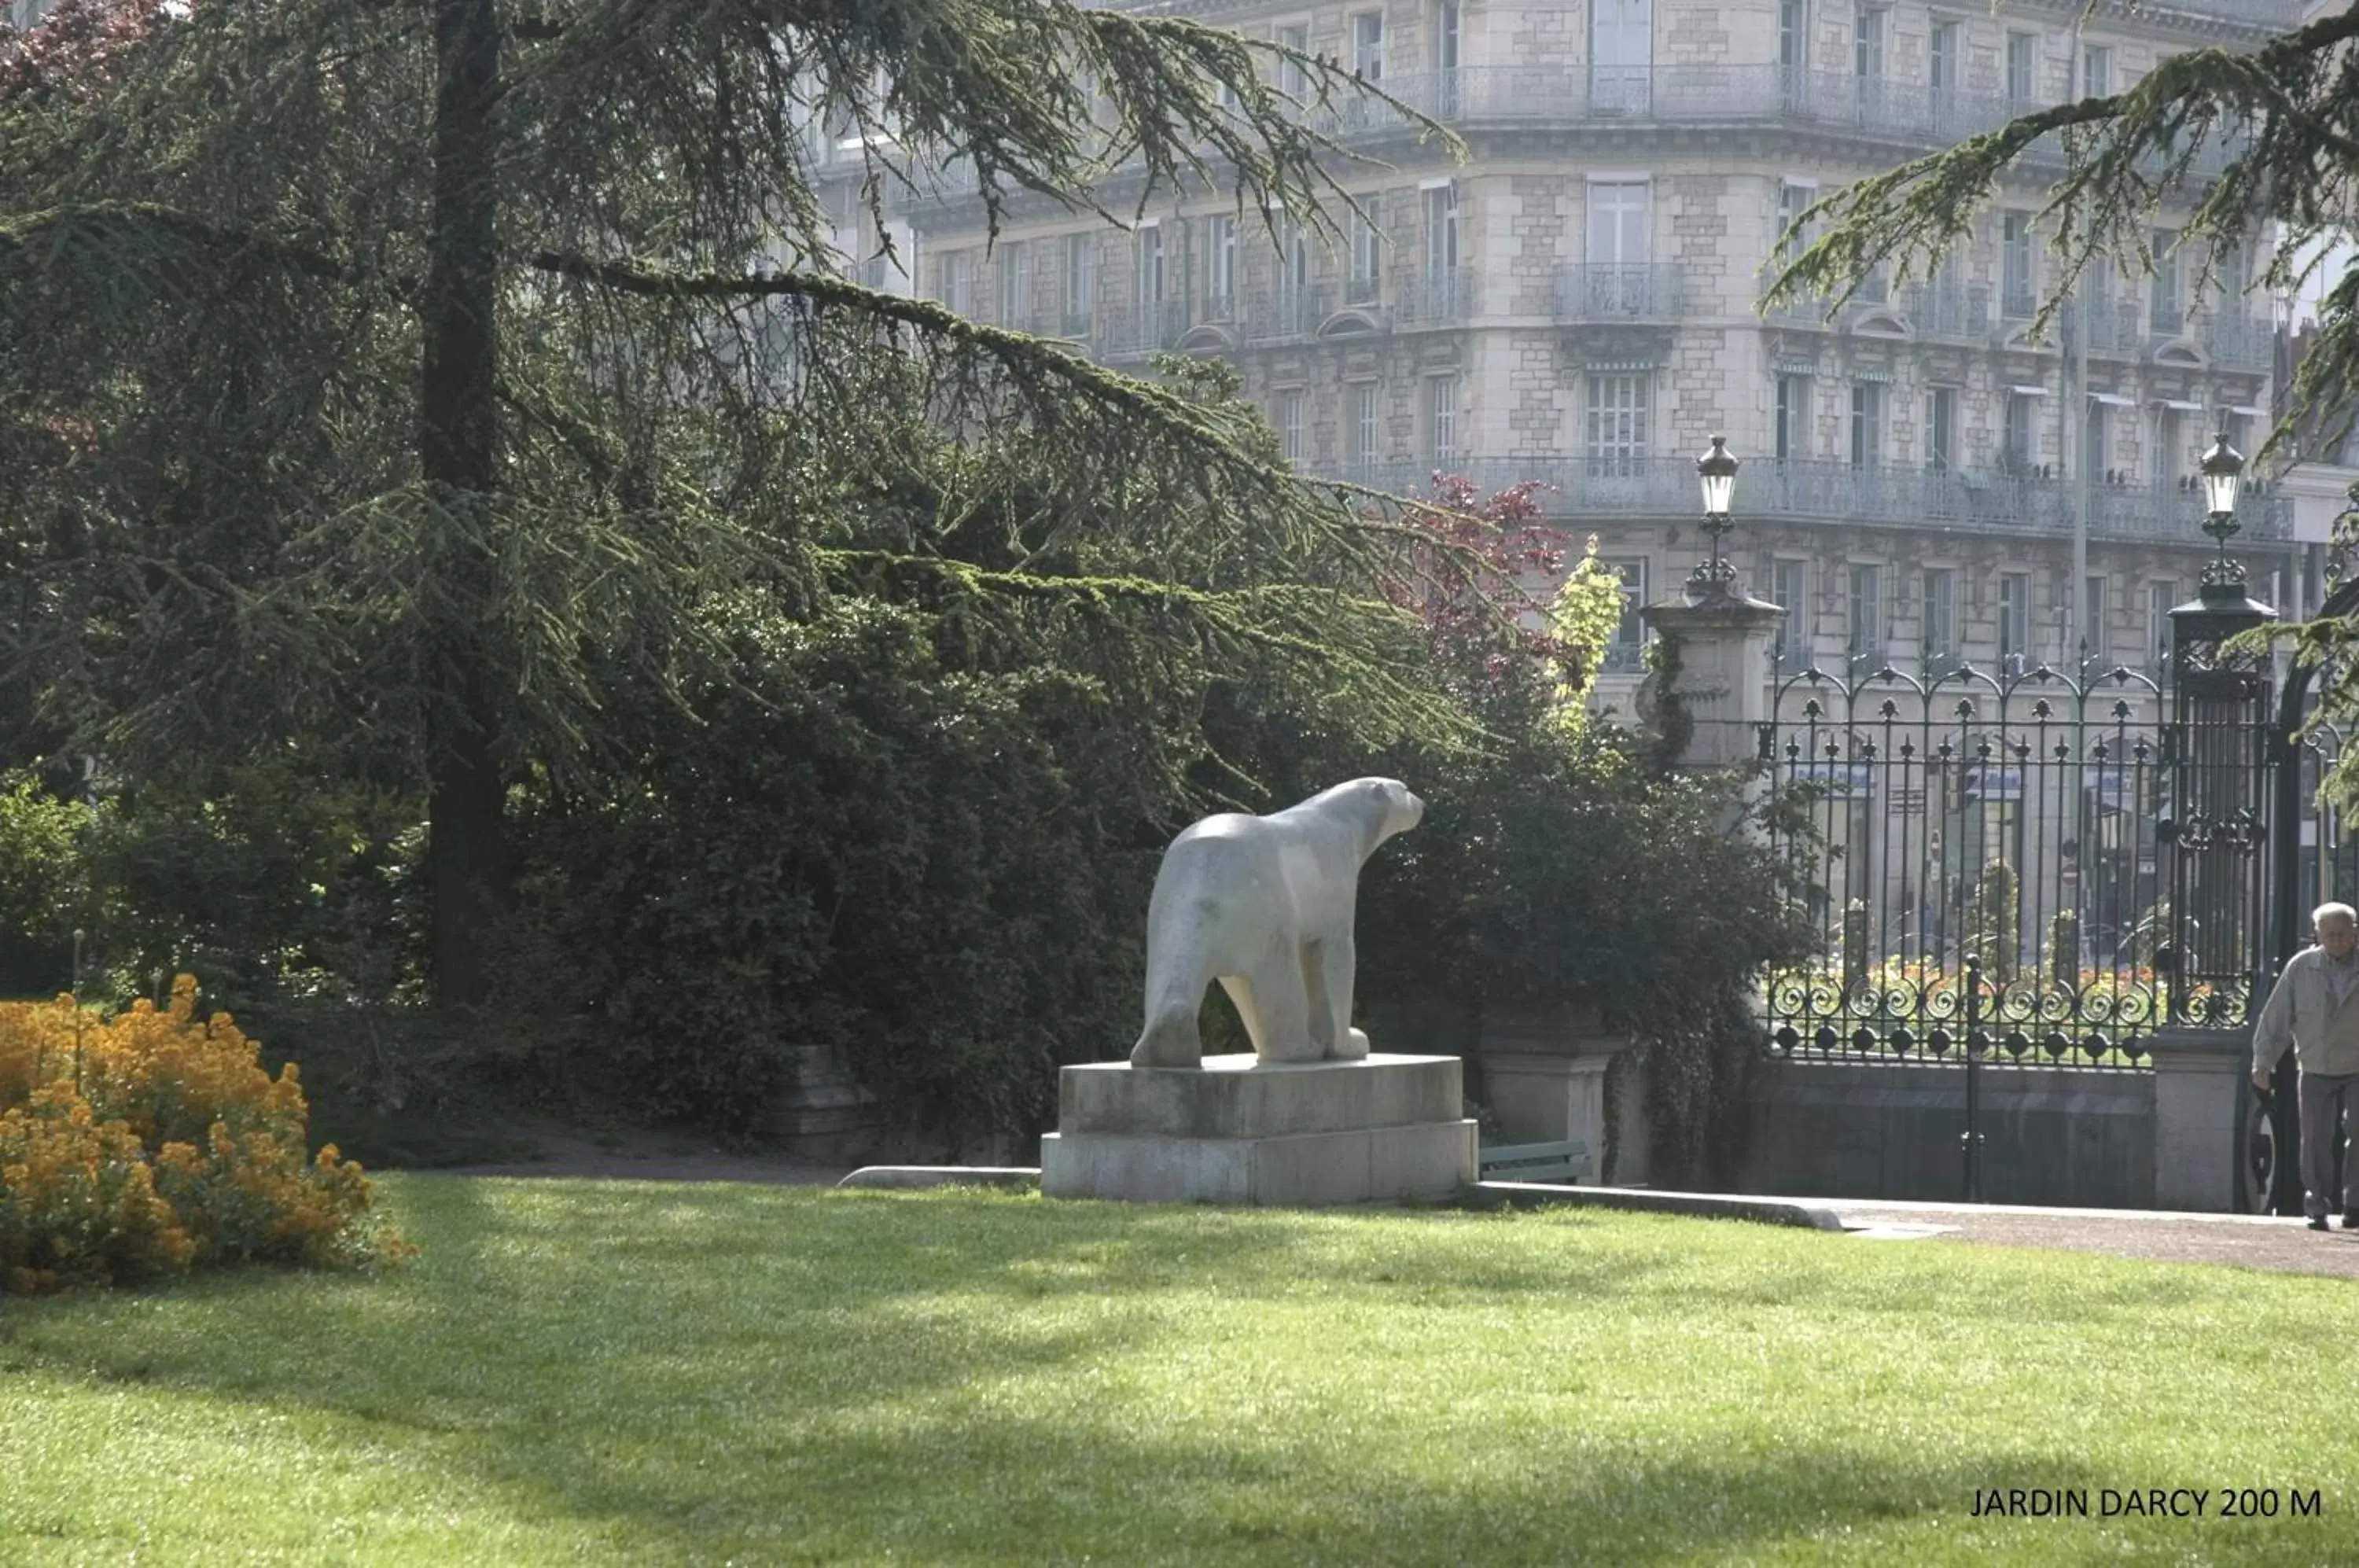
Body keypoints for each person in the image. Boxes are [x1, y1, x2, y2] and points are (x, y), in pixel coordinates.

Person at [2251, 902, 2359, 1231]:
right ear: (2318, 935)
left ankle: (2354, 1203)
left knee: (2358, 1131)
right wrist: (2263, 1062)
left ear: (2355, 934)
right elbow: (2276, 1019)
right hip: (2315, 1065)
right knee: (2314, 1139)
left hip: (2357, 1065)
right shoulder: (2301, 967)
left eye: (2343, 934)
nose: (2337, 940)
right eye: (2330, 935)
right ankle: (2317, 1203)